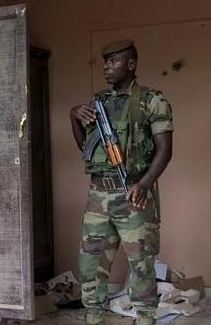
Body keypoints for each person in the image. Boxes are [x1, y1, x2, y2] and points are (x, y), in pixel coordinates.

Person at [70, 40, 173, 325]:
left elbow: (165, 149)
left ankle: (144, 317)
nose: (106, 66)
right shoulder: (99, 102)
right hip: (98, 193)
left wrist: (144, 184)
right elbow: (87, 150)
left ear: (131, 64)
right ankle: (93, 314)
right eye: (105, 61)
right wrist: (74, 117)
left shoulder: (152, 100)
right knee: (90, 261)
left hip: (132, 192)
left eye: (113, 61)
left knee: (141, 262)